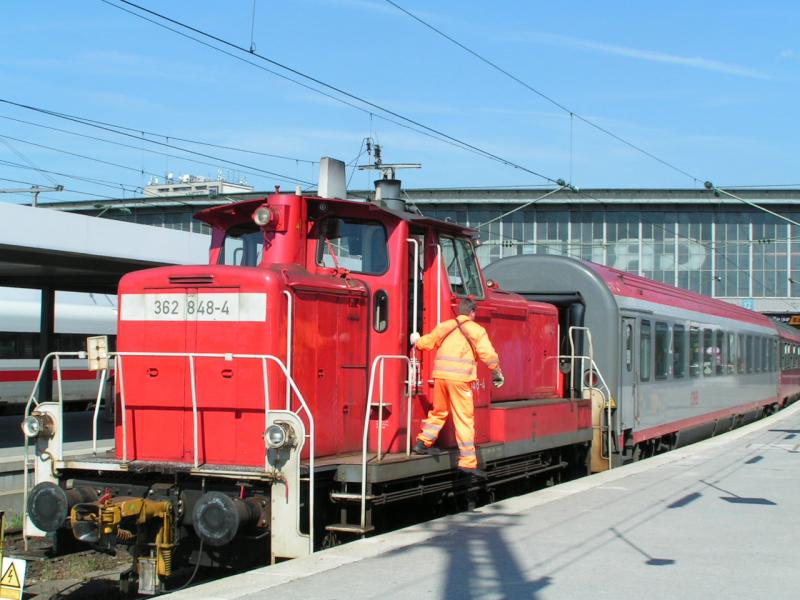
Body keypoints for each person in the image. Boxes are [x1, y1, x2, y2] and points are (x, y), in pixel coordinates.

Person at [411, 298, 504, 478]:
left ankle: (422, 443)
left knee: (439, 411)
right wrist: (496, 372)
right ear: (472, 313)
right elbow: (488, 354)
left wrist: (416, 340)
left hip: (440, 377)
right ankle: (468, 463)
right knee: (464, 418)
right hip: (460, 380)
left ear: (458, 312)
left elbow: (427, 343)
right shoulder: (477, 330)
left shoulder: (445, 326)